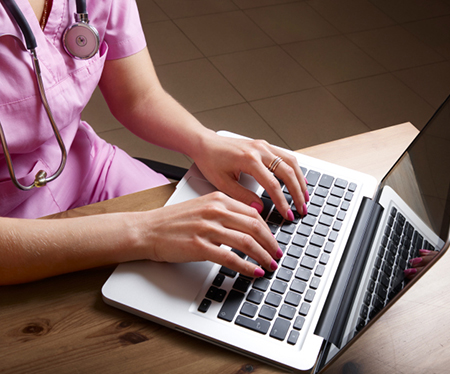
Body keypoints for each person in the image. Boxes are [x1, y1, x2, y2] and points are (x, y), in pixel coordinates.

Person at [0, 0, 308, 285]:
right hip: (11, 228)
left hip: (85, 166)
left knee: (217, 268)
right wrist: (146, 232)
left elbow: (138, 97)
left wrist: (205, 142)